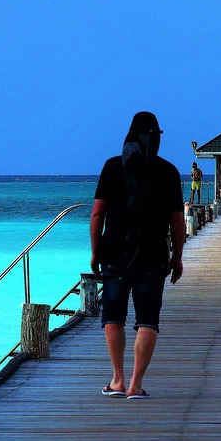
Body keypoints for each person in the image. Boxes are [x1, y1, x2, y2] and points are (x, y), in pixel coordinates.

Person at [90, 112, 185, 400]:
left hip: (115, 254)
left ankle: (117, 380)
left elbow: (97, 214)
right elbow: (178, 222)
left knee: (113, 316)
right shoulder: (168, 172)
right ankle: (135, 385)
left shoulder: (112, 167)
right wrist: (177, 256)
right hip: (153, 255)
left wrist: (95, 252)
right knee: (147, 319)